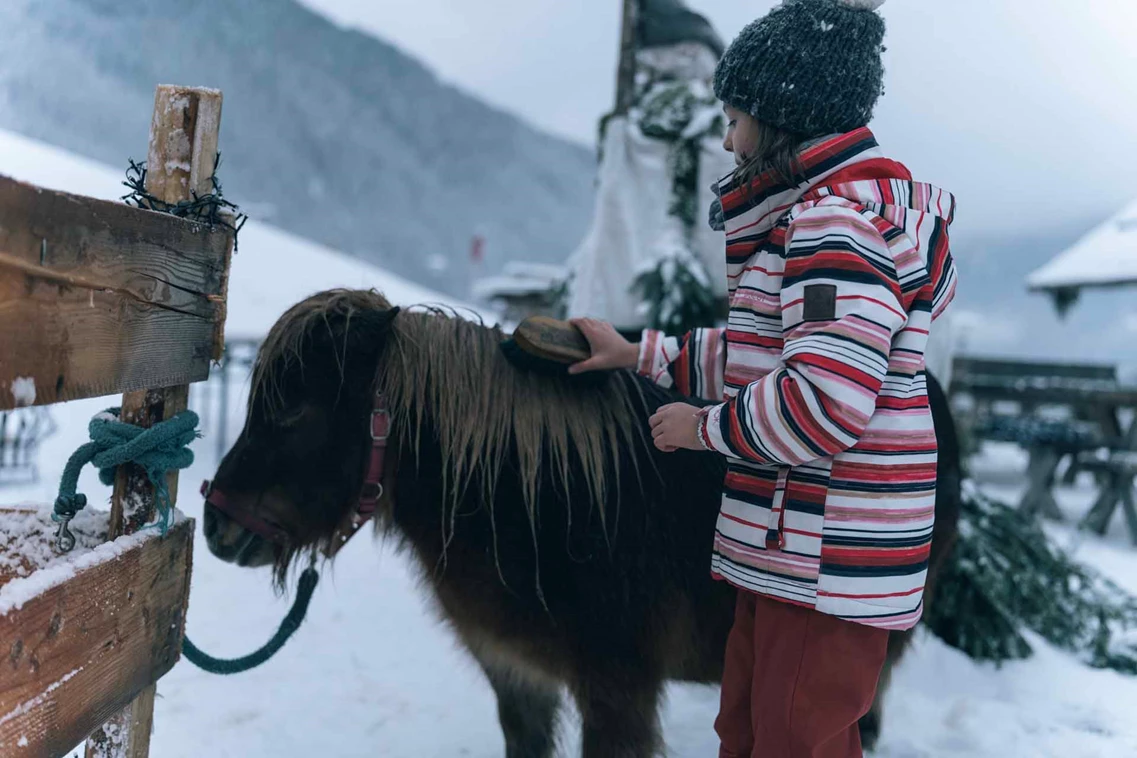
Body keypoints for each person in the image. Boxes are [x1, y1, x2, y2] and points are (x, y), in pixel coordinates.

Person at [569, 1, 958, 755]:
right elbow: (762, 357)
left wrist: (703, 428)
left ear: (785, 114)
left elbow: (821, 403)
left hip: (827, 556)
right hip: (794, 547)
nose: (725, 138)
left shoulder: (832, 227)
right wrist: (636, 353)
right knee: (749, 729)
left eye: (735, 117)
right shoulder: (810, 221)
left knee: (790, 738)